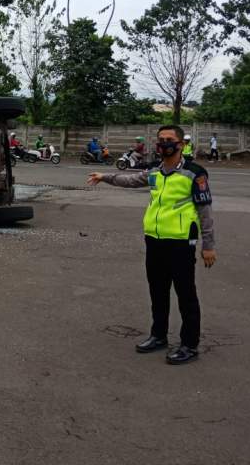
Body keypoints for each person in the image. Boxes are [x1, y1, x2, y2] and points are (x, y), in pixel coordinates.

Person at [88, 125, 216, 365]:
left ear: (181, 144)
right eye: (161, 139)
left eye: (170, 139)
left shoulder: (195, 173)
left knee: (186, 294)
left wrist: (208, 245)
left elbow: (205, 212)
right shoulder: (155, 172)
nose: (164, 143)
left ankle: (189, 344)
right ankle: (159, 335)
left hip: (180, 243)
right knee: (157, 292)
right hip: (154, 241)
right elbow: (129, 180)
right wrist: (104, 177)